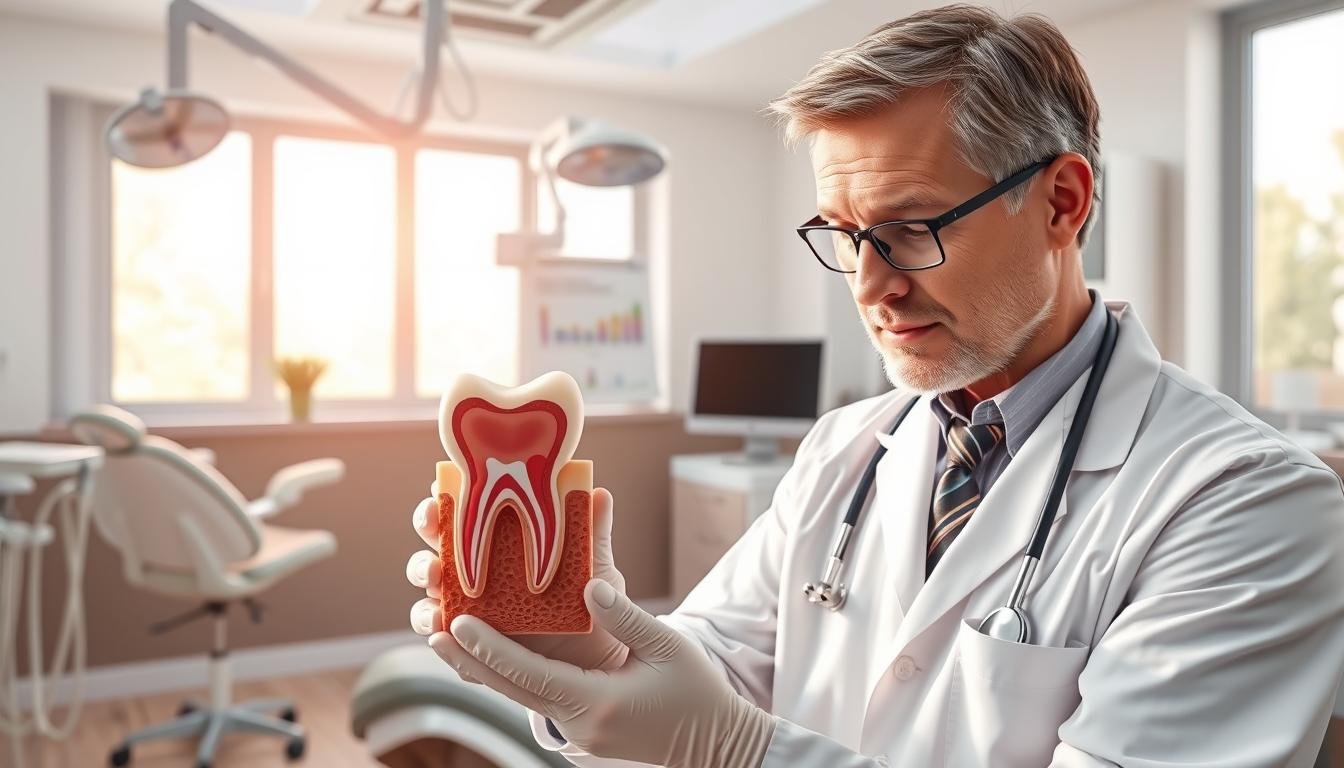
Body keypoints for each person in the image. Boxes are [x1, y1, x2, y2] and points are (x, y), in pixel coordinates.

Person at [405, 4, 1344, 766]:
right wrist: (595, 647)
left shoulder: (1250, 502)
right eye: (842, 236)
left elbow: (721, 732)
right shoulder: (845, 449)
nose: (870, 285)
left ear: (1063, 202)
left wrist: (738, 753)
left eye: (912, 227)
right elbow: (715, 671)